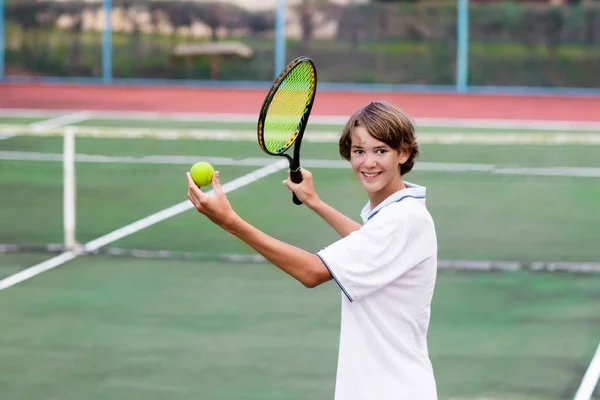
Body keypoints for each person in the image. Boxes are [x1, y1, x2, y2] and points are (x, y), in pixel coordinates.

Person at [186, 100, 438, 400]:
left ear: (404, 153)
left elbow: (312, 272)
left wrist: (231, 222)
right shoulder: (399, 213)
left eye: (380, 150)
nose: (368, 162)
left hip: (390, 390)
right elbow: (369, 241)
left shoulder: (402, 220)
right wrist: (314, 202)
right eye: (359, 151)